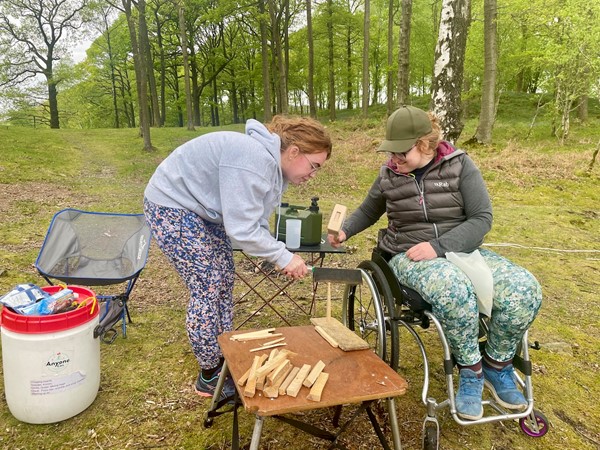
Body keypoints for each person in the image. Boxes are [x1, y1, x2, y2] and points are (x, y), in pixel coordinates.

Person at [327, 105, 542, 420]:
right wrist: (345, 229)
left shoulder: (460, 165)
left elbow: (482, 218)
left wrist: (440, 246)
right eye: (392, 152)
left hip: (463, 250)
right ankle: (471, 371)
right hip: (407, 254)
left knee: (525, 289)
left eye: (402, 152)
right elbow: (369, 209)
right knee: (452, 289)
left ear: (424, 145)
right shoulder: (388, 173)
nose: (394, 159)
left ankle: (497, 364)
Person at [144, 116, 332, 401]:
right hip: (172, 205)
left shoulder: (273, 170)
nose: (313, 174)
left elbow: (255, 221)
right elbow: (241, 230)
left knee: (223, 279)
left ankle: (224, 355)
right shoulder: (253, 159)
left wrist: (278, 254)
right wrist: (283, 257)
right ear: (293, 152)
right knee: (207, 285)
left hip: (204, 211)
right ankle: (209, 375)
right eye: (313, 165)